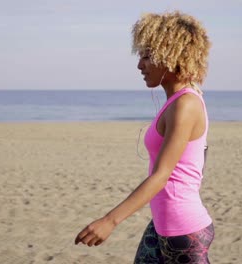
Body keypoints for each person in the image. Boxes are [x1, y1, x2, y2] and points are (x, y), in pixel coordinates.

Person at [75, 11, 214, 263]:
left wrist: (109, 221)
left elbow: (161, 175)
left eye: (147, 56)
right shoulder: (176, 101)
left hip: (184, 233)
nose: (140, 65)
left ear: (172, 54)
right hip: (161, 226)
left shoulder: (186, 104)